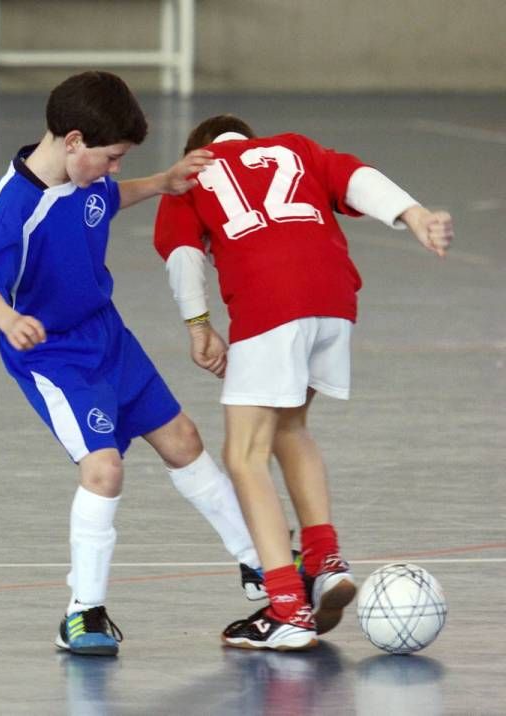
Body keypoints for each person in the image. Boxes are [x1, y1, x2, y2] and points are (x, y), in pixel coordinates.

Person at [0, 74, 265, 657]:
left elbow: (105, 199)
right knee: (104, 469)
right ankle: (83, 612)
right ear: (74, 140)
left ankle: (259, 562)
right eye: (112, 157)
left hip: (108, 336)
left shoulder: (85, 175)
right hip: (52, 355)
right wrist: (8, 320)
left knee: (183, 439)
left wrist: (163, 183)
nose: (115, 168)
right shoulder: (18, 206)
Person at [154, 114, 453, 651]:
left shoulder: (191, 174)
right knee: (290, 425)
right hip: (333, 298)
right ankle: (324, 558)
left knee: (244, 454)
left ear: (197, 148)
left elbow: (183, 256)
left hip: (272, 304)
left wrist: (199, 326)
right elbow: (357, 177)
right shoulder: (295, 148)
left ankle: (289, 607)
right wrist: (414, 215)